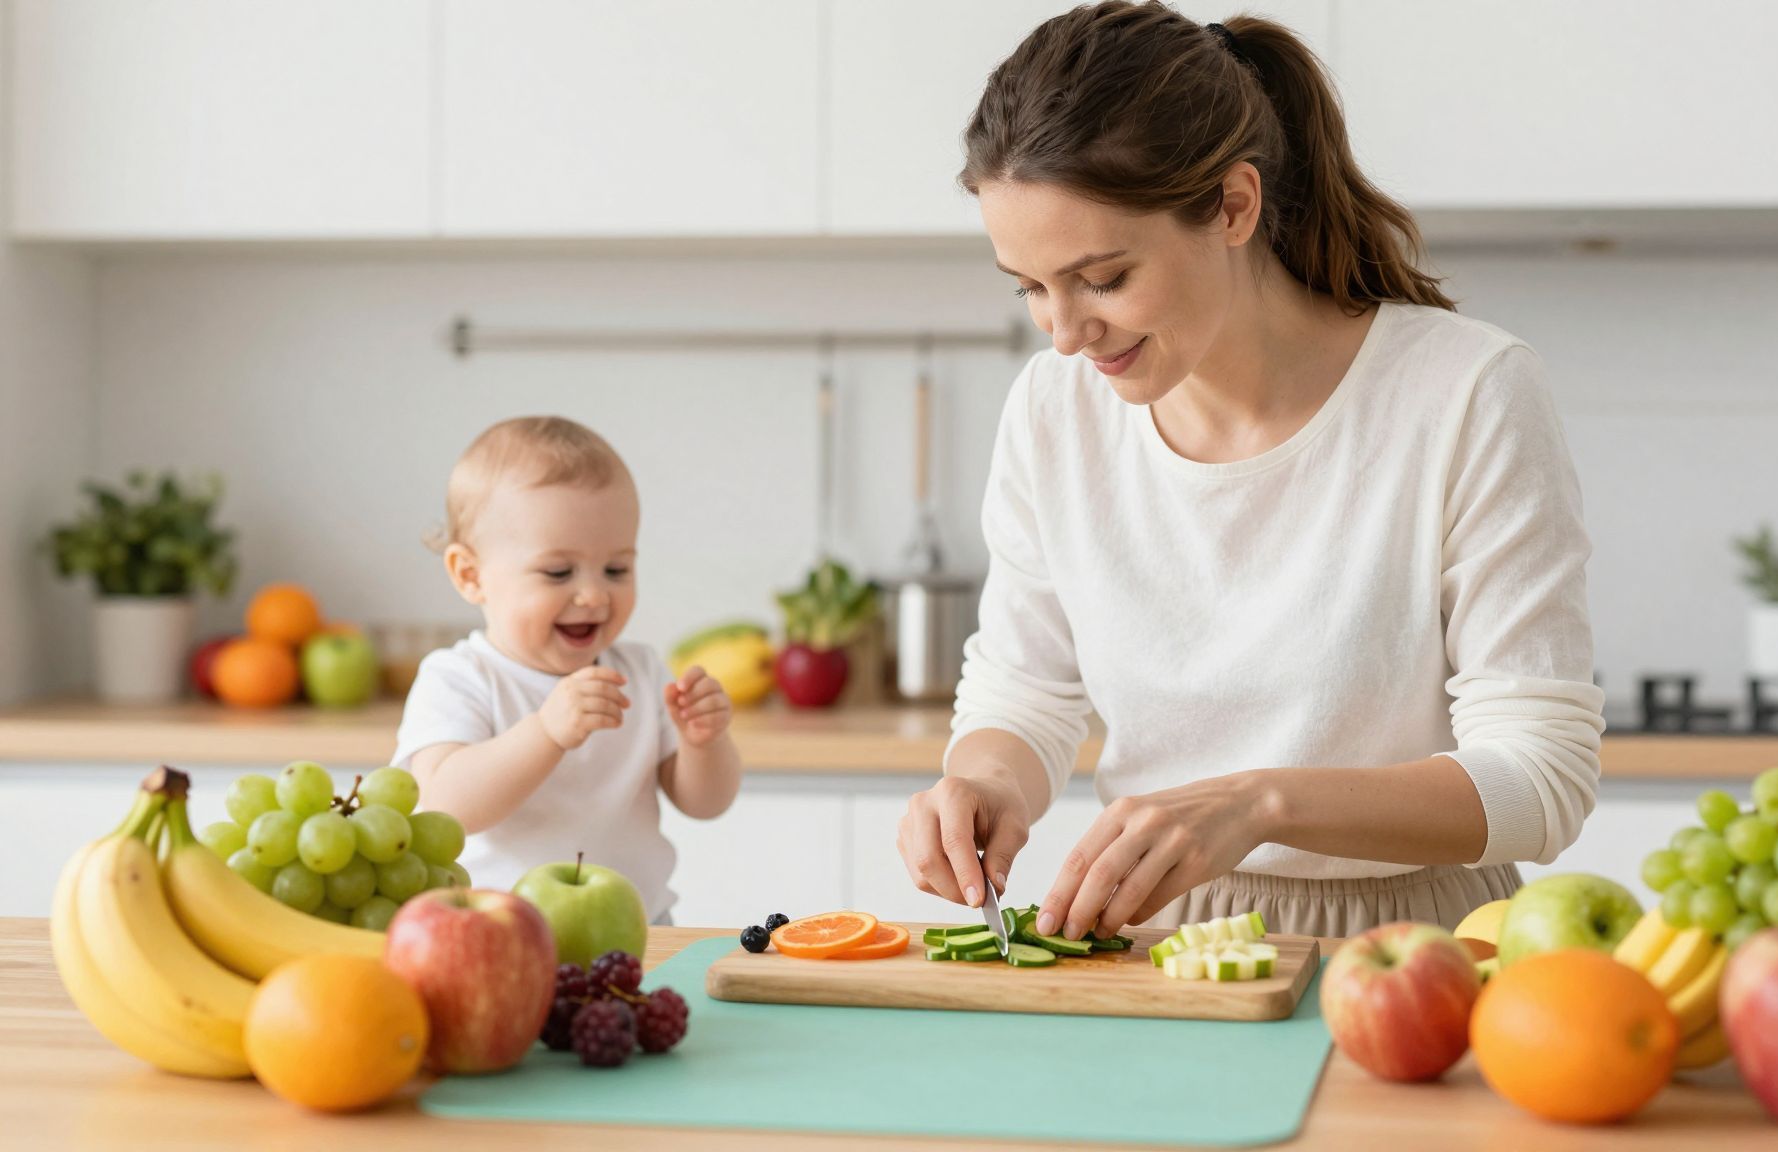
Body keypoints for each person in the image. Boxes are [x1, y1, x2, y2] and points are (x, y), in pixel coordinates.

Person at [897, 2, 1603, 940]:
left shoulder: (1465, 392)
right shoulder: (1051, 412)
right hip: (1151, 950)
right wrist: (983, 783)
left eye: (1102, 279)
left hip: (1416, 952)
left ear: (1235, 205)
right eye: (1030, 287)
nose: (1064, 334)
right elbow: (1025, 691)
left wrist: (1260, 805)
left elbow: (1542, 780)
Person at [393, 416, 743, 925]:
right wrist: (546, 731)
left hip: (635, 930)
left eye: (616, 569)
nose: (595, 594)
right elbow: (446, 807)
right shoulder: (459, 678)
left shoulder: (642, 672)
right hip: (493, 935)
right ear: (470, 575)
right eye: (558, 572)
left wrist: (705, 743)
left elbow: (705, 803)